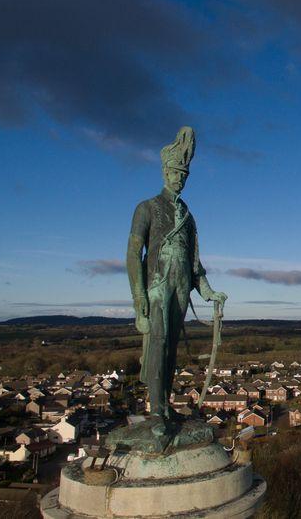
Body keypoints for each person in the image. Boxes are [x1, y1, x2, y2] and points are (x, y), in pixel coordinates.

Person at [126, 126, 226, 423]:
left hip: (181, 286)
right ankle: (156, 412)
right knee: (158, 344)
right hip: (157, 285)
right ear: (164, 172)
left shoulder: (188, 215)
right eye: (174, 173)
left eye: (184, 175)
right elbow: (133, 254)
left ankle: (165, 406)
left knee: (170, 351)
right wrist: (139, 298)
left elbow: (195, 262)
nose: (179, 178)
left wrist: (207, 291)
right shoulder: (147, 208)